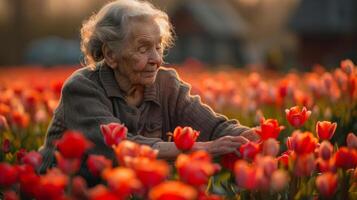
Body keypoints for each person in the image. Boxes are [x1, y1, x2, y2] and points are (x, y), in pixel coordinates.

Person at [39, 0, 259, 184]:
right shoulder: (82, 88)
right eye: (144, 48)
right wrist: (198, 148)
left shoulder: (166, 84)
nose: (157, 59)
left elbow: (215, 127)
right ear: (111, 55)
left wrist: (254, 136)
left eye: (158, 47)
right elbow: (121, 146)